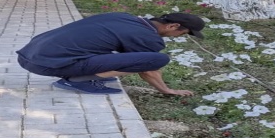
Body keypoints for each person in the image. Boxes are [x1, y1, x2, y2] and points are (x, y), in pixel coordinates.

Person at [16, 12, 205, 95]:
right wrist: (167, 90)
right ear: (173, 26)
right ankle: (77, 80)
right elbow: (148, 68)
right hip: (45, 64)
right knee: (158, 59)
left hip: (28, 55)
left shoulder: (124, 17)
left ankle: (83, 74)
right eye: (183, 33)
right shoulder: (149, 37)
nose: (179, 37)